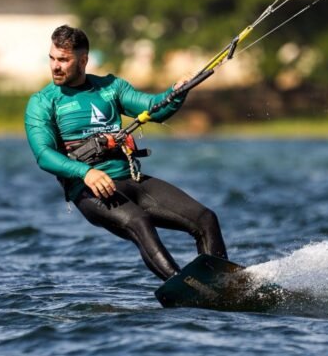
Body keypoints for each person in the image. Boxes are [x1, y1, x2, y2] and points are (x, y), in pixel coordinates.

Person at [25, 25, 228, 281]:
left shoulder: (111, 87)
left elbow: (156, 109)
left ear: (84, 60)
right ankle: (184, 286)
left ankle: (221, 284)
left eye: (64, 60)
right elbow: (43, 154)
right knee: (139, 222)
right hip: (90, 190)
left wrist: (176, 93)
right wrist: (85, 173)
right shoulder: (43, 101)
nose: (55, 66)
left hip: (131, 179)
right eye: (52, 58)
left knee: (205, 219)